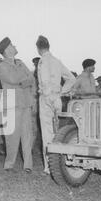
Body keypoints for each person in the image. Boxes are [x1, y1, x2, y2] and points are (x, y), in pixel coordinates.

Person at [36, 35, 75, 175]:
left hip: (46, 98)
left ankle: (49, 167)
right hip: (56, 98)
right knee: (57, 132)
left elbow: (45, 80)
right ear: (48, 46)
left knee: (47, 133)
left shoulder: (42, 61)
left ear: (38, 48)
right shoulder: (57, 61)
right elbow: (71, 78)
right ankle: (58, 164)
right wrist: (61, 92)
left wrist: (49, 95)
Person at [0, 37, 36, 173]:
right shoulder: (2, 65)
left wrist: (22, 82)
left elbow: (31, 79)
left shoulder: (20, 63)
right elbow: (12, 79)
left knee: (27, 135)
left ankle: (28, 165)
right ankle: (9, 163)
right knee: (12, 136)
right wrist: (23, 80)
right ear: (7, 50)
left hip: (25, 102)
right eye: (12, 45)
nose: (15, 46)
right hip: (12, 103)